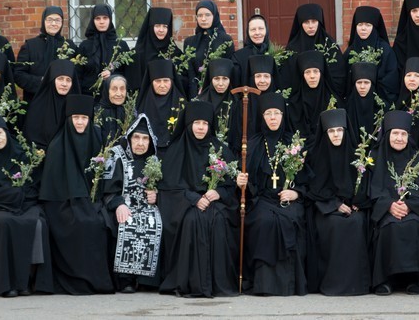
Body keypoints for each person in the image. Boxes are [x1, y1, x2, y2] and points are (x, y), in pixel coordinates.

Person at [158, 101, 240, 297]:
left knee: (217, 219)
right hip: (185, 204)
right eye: (197, 123)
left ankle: (217, 284)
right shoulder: (176, 149)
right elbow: (168, 187)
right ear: (188, 124)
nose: (201, 127)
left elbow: (231, 185)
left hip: (215, 203)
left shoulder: (220, 149)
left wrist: (219, 193)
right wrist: (193, 198)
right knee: (192, 220)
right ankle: (189, 283)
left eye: (205, 123)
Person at [37, 94, 114, 294]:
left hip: (90, 199)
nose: (80, 122)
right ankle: (78, 281)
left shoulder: (95, 139)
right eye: (76, 118)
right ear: (68, 119)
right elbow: (52, 187)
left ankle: (97, 281)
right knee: (83, 223)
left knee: (99, 222)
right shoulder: (57, 145)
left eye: (84, 118)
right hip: (61, 203)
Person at [236, 92, 311, 296]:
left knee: (290, 218)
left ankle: (289, 285)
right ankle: (264, 285)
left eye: (277, 113)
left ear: (283, 115)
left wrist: (296, 193)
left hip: (288, 200)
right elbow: (246, 180)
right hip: (261, 200)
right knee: (264, 221)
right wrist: (242, 182)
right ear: (262, 117)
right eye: (268, 113)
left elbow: (308, 181)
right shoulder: (252, 144)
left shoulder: (294, 144)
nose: (273, 118)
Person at [0, 113, 53, 297]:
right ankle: (5, 283)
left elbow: (35, 185)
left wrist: (20, 193)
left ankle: (27, 281)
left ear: (6, 131)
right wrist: (6, 194)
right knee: (3, 223)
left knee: (37, 223)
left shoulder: (23, 154)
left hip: (25, 204)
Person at [369, 110, 419, 295]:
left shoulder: (417, 157)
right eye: (395, 133)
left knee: (414, 225)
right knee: (389, 227)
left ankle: (415, 280)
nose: (399, 138)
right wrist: (388, 206)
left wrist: (409, 206)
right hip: (385, 212)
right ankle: (385, 280)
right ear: (387, 134)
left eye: (403, 134)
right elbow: (369, 191)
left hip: (412, 211)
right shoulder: (375, 157)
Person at [305, 109, 371, 296]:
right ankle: (332, 283)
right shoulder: (315, 156)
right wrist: (334, 204)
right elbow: (312, 189)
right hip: (325, 209)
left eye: (339, 130)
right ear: (325, 133)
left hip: (352, 208)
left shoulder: (356, 155)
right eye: (331, 131)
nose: (336, 135)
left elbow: (365, 185)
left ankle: (356, 285)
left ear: (345, 131)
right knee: (335, 224)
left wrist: (357, 202)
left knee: (356, 222)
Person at [105, 114, 162, 292]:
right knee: (126, 222)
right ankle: (125, 280)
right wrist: (119, 204)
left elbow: (165, 187)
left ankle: (146, 280)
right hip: (124, 205)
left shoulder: (154, 160)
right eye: (136, 137)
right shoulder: (117, 156)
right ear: (129, 138)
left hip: (147, 207)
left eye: (145, 139)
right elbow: (108, 189)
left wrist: (157, 196)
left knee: (155, 223)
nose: (140, 143)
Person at [13, 5, 76, 104]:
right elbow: (18, 74)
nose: (53, 24)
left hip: (62, 102)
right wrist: (41, 81)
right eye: (50, 20)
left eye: (57, 20)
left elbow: (75, 74)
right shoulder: (30, 45)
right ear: (43, 21)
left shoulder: (69, 46)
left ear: (62, 22)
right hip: (35, 100)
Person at [283, 3, 345, 96]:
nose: (310, 26)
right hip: (299, 99)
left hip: (326, 97)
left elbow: (339, 76)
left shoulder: (330, 46)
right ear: (300, 24)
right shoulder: (292, 48)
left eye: (314, 21)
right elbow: (287, 77)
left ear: (319, 22)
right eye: (306, 22)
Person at [343, 6, 399, 102]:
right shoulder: (350, 51)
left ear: (374, 27)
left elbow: (391, 80)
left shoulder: (385, 50)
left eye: (368, 25)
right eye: (360, 24)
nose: (363, 28)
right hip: (354, 103)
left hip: (379, 102)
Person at [23, 59, 80, 149]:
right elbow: (31, 139)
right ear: (52, 80)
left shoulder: (77, 106)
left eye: (68, 80)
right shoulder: (37, 107)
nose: (64, 84)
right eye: (60, 79)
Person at [77, 4, 130, 99]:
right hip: (88, 97)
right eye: (98, 18)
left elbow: (128, 73)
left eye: (105, 18)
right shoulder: (85, 46)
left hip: (115, 98)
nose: (101, 22)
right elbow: (78, 75)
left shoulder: (120, 45)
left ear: (110, 19)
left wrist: (112, 74)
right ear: (93, 21)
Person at [183, 0, 234, 98]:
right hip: (196, 93)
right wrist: (194, 94)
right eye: (200, 15)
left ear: (214, 16)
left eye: (207, 15)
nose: (203, 19)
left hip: (219, 93)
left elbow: (228, 69)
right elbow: (190, 72)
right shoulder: (189, 42)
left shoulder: (225, 40)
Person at [135, 59, 186, 158]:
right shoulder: (142, 104)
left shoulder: (182, 104)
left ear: (172, 81)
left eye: (166, 81)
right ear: (151, 82)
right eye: (158, 81)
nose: (162, 85)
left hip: (175, 154)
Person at [287, 50, 336, 149]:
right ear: (302, 74)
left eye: (316, 71)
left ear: (321, 73)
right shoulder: (293, 105)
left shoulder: (334, 100)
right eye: (307, 72)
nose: (312, 76)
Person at [126, 7, 180, 93]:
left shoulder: (175, 53)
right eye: (157, 26)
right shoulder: (138, 53)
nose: (161, 30)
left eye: (165, 26)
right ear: (150, 27)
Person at [231, 14, 272, 87]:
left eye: (261, 29)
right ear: (248, 32)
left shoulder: (276, 53)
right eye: (253, 29)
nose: (257, 33)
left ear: (266, 30)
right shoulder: (238, 57)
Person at [94, 74, 133, 146]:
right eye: (114, 89)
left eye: (122, 89)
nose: (119, 94)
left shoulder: (129, 112)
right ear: (107, 90)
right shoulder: (98, 112)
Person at [344, 62, 380, 137]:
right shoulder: (346, 109)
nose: (362, 87)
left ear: (372, 84)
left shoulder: (381, 109)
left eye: (366, 82)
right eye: (359, 82)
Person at [196, 58, 236, 125]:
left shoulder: (237, 102)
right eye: (216, 78)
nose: (220, 83)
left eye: (225, 78)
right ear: (211, 79)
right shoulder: (201, 101)